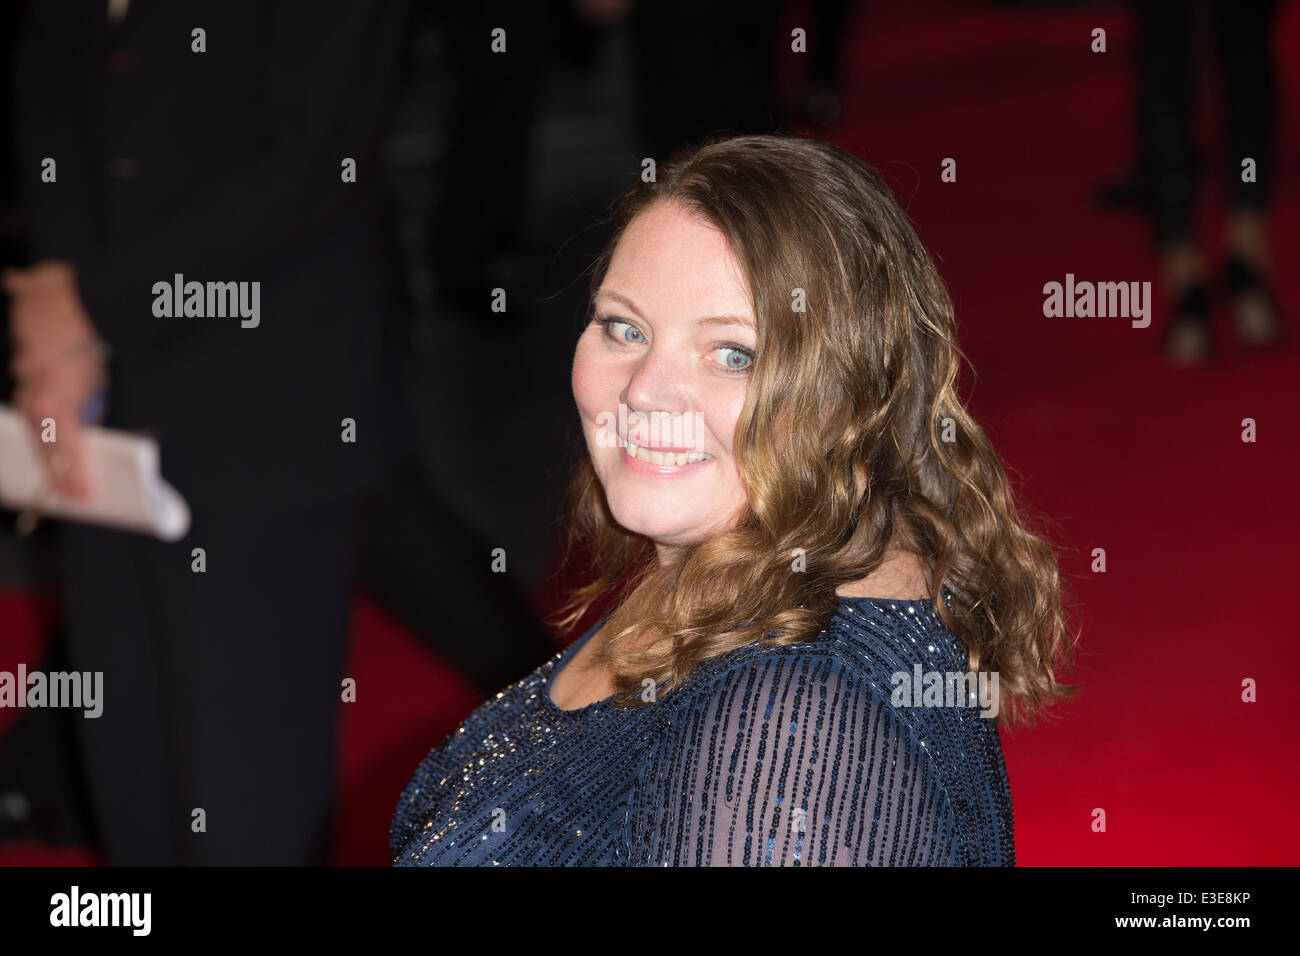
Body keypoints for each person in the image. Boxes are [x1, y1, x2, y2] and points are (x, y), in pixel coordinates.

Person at [389, 134, 1076, 866]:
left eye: (733, 354)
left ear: (851, 394)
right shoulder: (738, 574)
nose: (645, 389)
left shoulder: (792, 724)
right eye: (624, 328)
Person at [7, 0, 411, 865]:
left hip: (272, 402)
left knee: (244, 816)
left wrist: (88, 307)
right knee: (131, 790)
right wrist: (60, 338)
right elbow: (51, 91)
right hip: (104, 398)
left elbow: (314, 162)